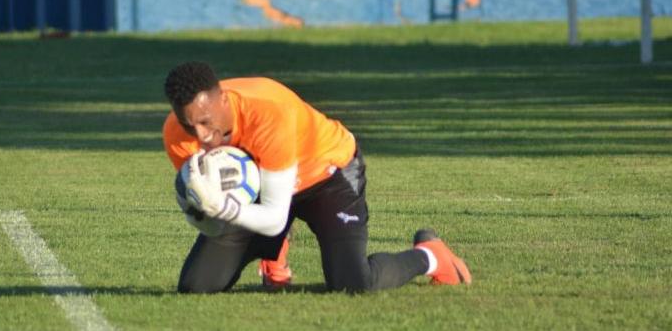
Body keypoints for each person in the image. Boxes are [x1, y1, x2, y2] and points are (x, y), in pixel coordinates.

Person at [162, 61, 471, 293]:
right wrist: (200, 211)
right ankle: (274, 250)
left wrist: (228, 210)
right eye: (191, 125)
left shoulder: (268, 113)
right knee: (196, 286)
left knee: (353, 283)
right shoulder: (177, 134)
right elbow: (209, 214)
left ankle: (430, 256)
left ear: (224, 100)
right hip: (263, 189)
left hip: (326, 175)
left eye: (205, 121)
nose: (201, 135)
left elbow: (271, 216)